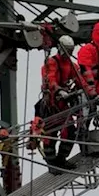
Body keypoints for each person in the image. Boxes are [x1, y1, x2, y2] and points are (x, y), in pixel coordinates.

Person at [32, 35, 84, 170]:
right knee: (50, 134)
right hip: (51, 104)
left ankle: (61, 159)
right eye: (68, 50)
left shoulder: (71, 65)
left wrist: (90, 92)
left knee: (70, 131)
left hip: (62, 104)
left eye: (71, 50)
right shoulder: (52, 62)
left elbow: (80, 79)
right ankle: (52, 163)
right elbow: (50, 79)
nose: (70, 53)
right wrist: (59, 90)